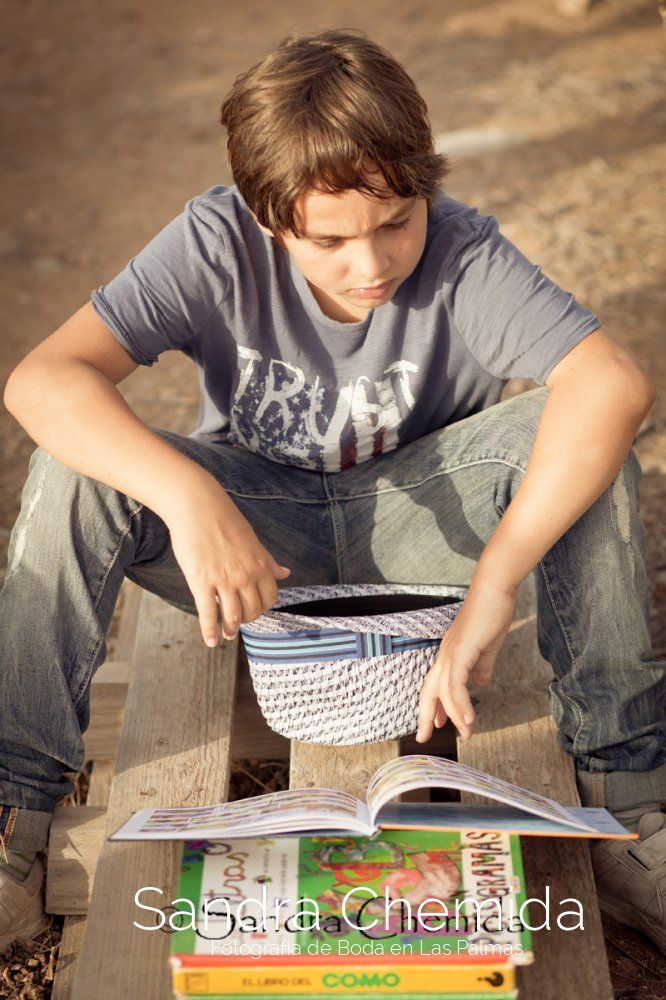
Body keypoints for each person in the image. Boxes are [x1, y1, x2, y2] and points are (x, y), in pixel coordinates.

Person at [1, 29, 664, 955]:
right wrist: (191, 496)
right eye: (330, 241)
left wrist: (499, 579)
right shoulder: (215, 240)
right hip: (260, 536)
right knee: (71, 466)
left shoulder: (466, 253)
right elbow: (41, 379)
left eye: (397, 220)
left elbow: (614, 386)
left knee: (591, 445)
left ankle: (631, 807)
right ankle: (12, 829)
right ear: (270, 220)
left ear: (425, 185)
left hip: (420, 525)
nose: (372, 264)